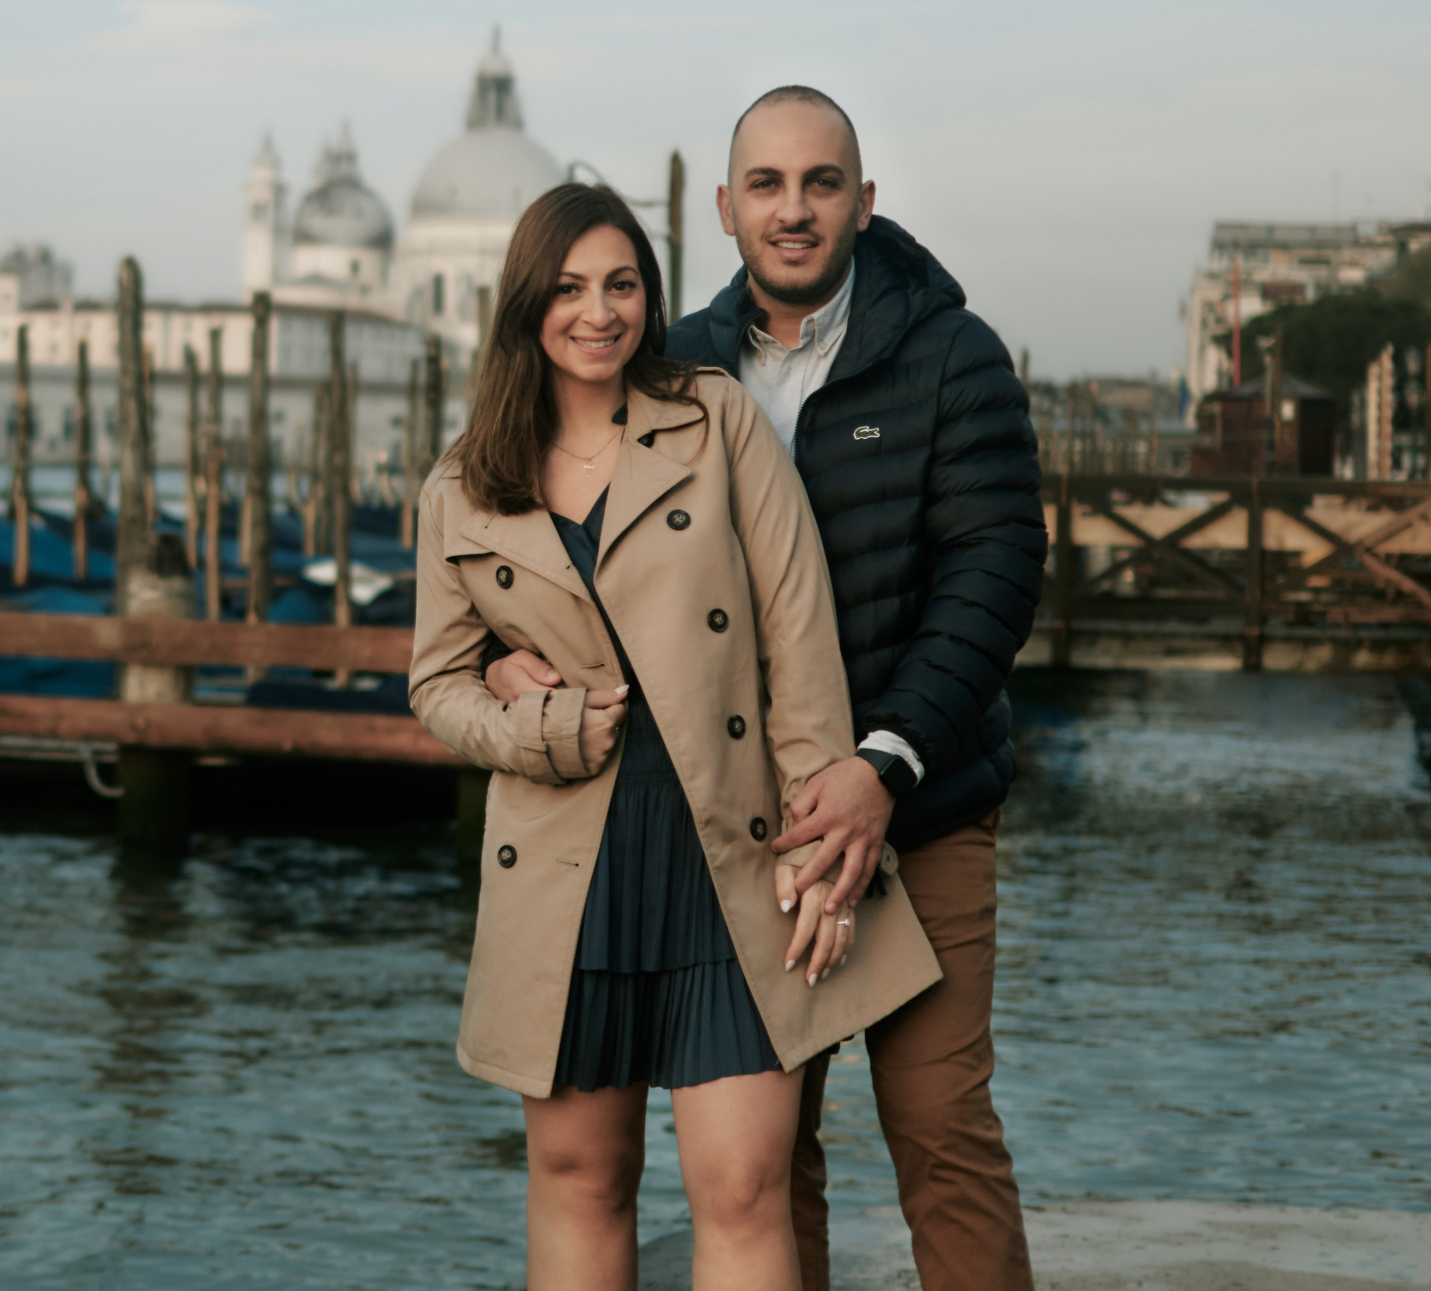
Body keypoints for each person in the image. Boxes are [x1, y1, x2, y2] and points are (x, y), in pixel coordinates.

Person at [488, 87, 1046, 1291]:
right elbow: (567, 547)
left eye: (821, 182)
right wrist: (499, 652)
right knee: (759, 1156)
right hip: (745, 821)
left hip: (920, 794)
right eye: (766, 186)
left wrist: (880, 762)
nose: (793, 210)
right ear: (731, 210)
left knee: (937, 1124)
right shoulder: (673, 359)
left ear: (863, 200)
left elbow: (992, 578)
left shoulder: (953, 356)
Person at [412, 181, 941, 1291]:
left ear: (649, 297)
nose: (596, 311)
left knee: (743, 1183)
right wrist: (540, 722)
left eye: (620, 284)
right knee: (577, 1175)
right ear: (525, 305)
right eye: (567, 287)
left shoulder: (713, 419)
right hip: (568, 862)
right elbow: (438, 686)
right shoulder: (463, 485)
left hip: (731, 850)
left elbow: (798, 640)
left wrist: (818, 856)